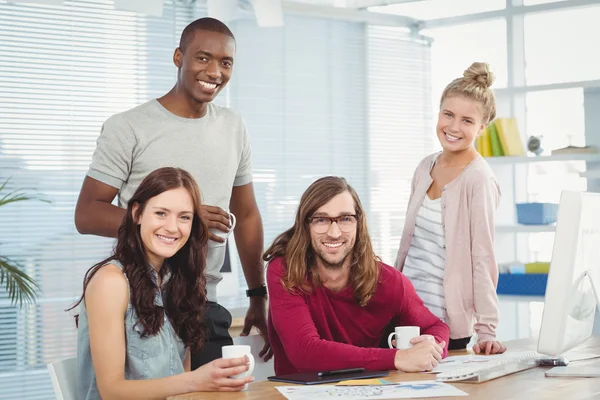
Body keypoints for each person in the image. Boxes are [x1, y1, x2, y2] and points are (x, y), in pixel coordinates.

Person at [73, 17, 270, 367]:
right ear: (178, 57)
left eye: (226, 63)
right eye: (203, 57)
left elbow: (248, 214)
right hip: (142, 300)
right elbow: (87, 212)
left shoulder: (233, 127)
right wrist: (186, 221)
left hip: (203, 302)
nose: (214, 71)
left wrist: (257, 294)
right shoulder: (129, 127)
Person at [70, 167, 254, 399]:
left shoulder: (178, 283)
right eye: (161, 213)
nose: (172, 227)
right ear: (137, 214)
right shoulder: (110, 282)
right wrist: (196, 381)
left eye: (184, 217)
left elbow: (180, 379)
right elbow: (112, 391)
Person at [263, 176, 449, 375]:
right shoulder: (285, 270)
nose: (334, 233)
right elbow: (305, 352)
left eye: (345, 219)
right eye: (321, 219)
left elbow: (437, 328)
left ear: (359, 223)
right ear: (305, 226)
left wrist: (430, 348)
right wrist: (398, 358)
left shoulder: (388, 281)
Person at [395, 62, 506, 355]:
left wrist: (486, 330)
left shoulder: (478, 178)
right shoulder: (424, 167)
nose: (454, 127)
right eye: (448, 114)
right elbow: (411, 246)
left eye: (467, 121)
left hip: (445, 323)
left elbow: (483, 257)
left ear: (482, 127)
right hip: (404, 317)